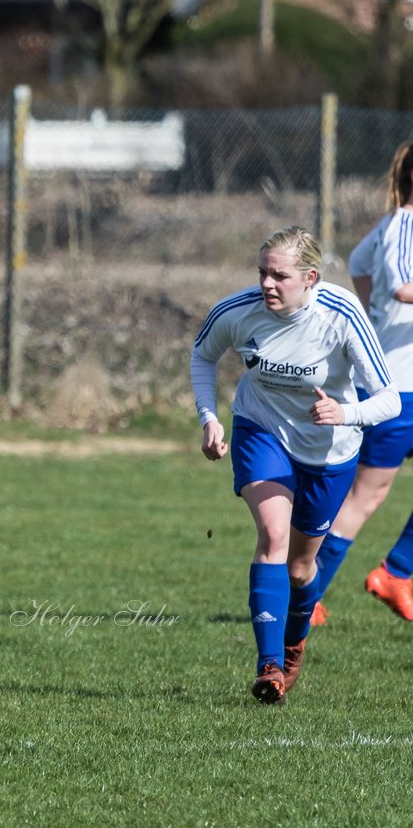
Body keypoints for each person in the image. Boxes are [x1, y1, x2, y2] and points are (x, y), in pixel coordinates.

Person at [191, 225, 398, 704]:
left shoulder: (341, 314)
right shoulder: (238, 311)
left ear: (309, 278)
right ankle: (268, 668)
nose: (266, 284)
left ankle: (293, 641)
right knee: (273, 537)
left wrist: (346, 413)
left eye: (278, 276)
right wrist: (209, 417)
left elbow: (388, 399)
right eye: (262, 272)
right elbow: (202, 356)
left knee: (302, 568)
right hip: (260, 429)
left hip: (329, 450)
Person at [311, 141, 413, 621]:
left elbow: (356, 262)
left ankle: (397, 571)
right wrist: (379, 317)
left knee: (365, 495)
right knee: (366, 496)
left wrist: (374, 318)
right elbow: (403, 287)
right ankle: (305, 596)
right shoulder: (406, 223)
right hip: (401, 388)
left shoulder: (389, 227)